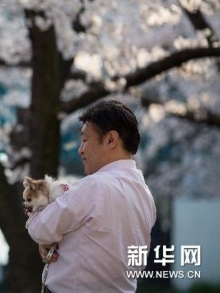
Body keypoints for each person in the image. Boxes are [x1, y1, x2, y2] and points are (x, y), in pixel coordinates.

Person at [26, 100, 156, 292]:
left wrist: (36, 212)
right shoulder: (145, 195)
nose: (81, 150)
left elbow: (40, 229)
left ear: (111, 139)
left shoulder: (95, 186)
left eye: (85, 140)